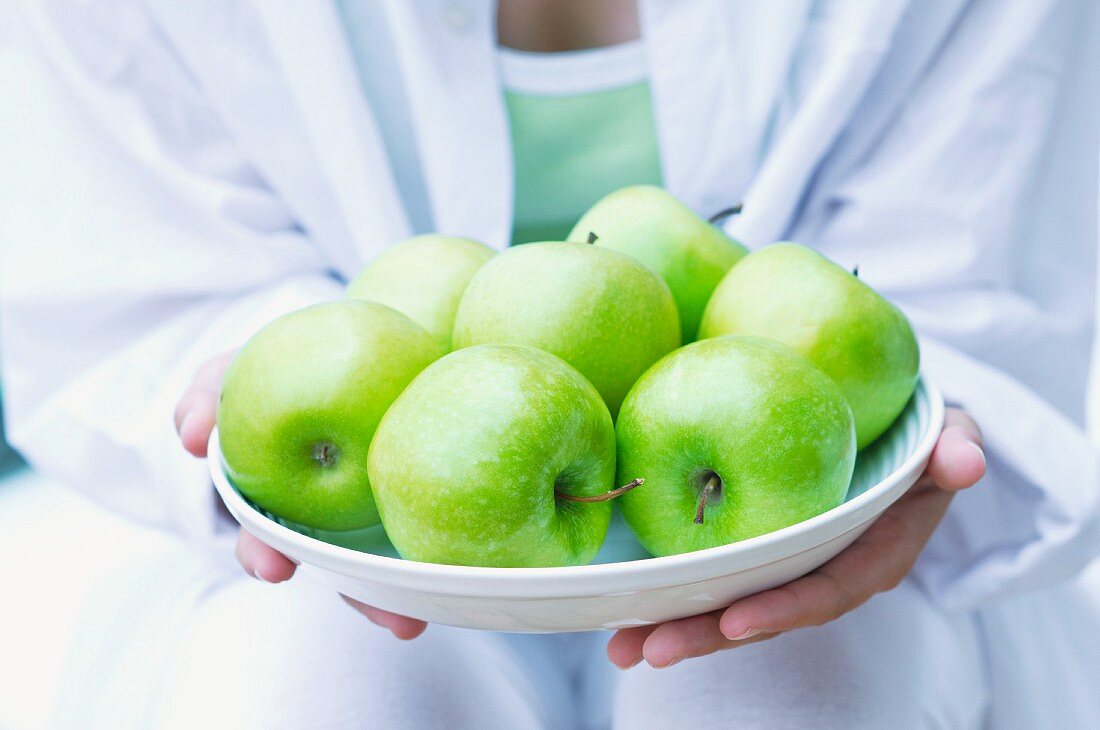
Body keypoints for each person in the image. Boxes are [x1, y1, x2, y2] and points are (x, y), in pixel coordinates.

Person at [2, 0, 1099, 727]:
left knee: (787, 690)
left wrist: (914, 445)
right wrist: (260, 371)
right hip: (360, 537)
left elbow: (973, 288)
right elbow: (116, 265)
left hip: (797, 517)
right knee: (319, 684)